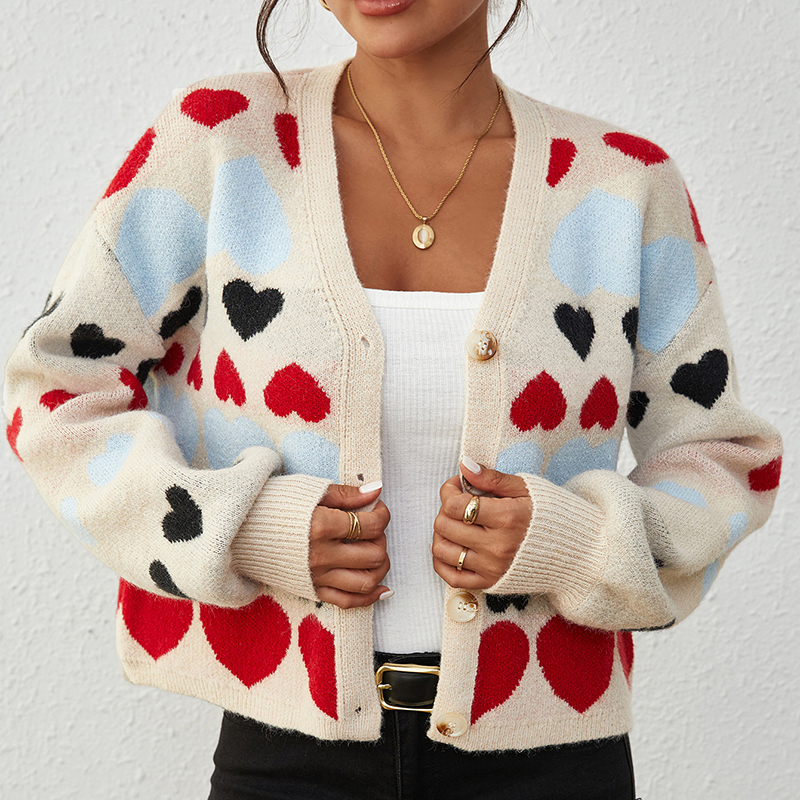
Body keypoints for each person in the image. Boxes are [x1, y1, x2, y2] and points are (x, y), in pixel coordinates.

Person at [3, 0, 782, 797]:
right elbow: (57, 386)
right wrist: (245, 529)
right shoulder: (224, 142)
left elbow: (721, 459)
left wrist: (575, 543)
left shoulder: (619, 184)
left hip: (554, 759)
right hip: (286, 758)